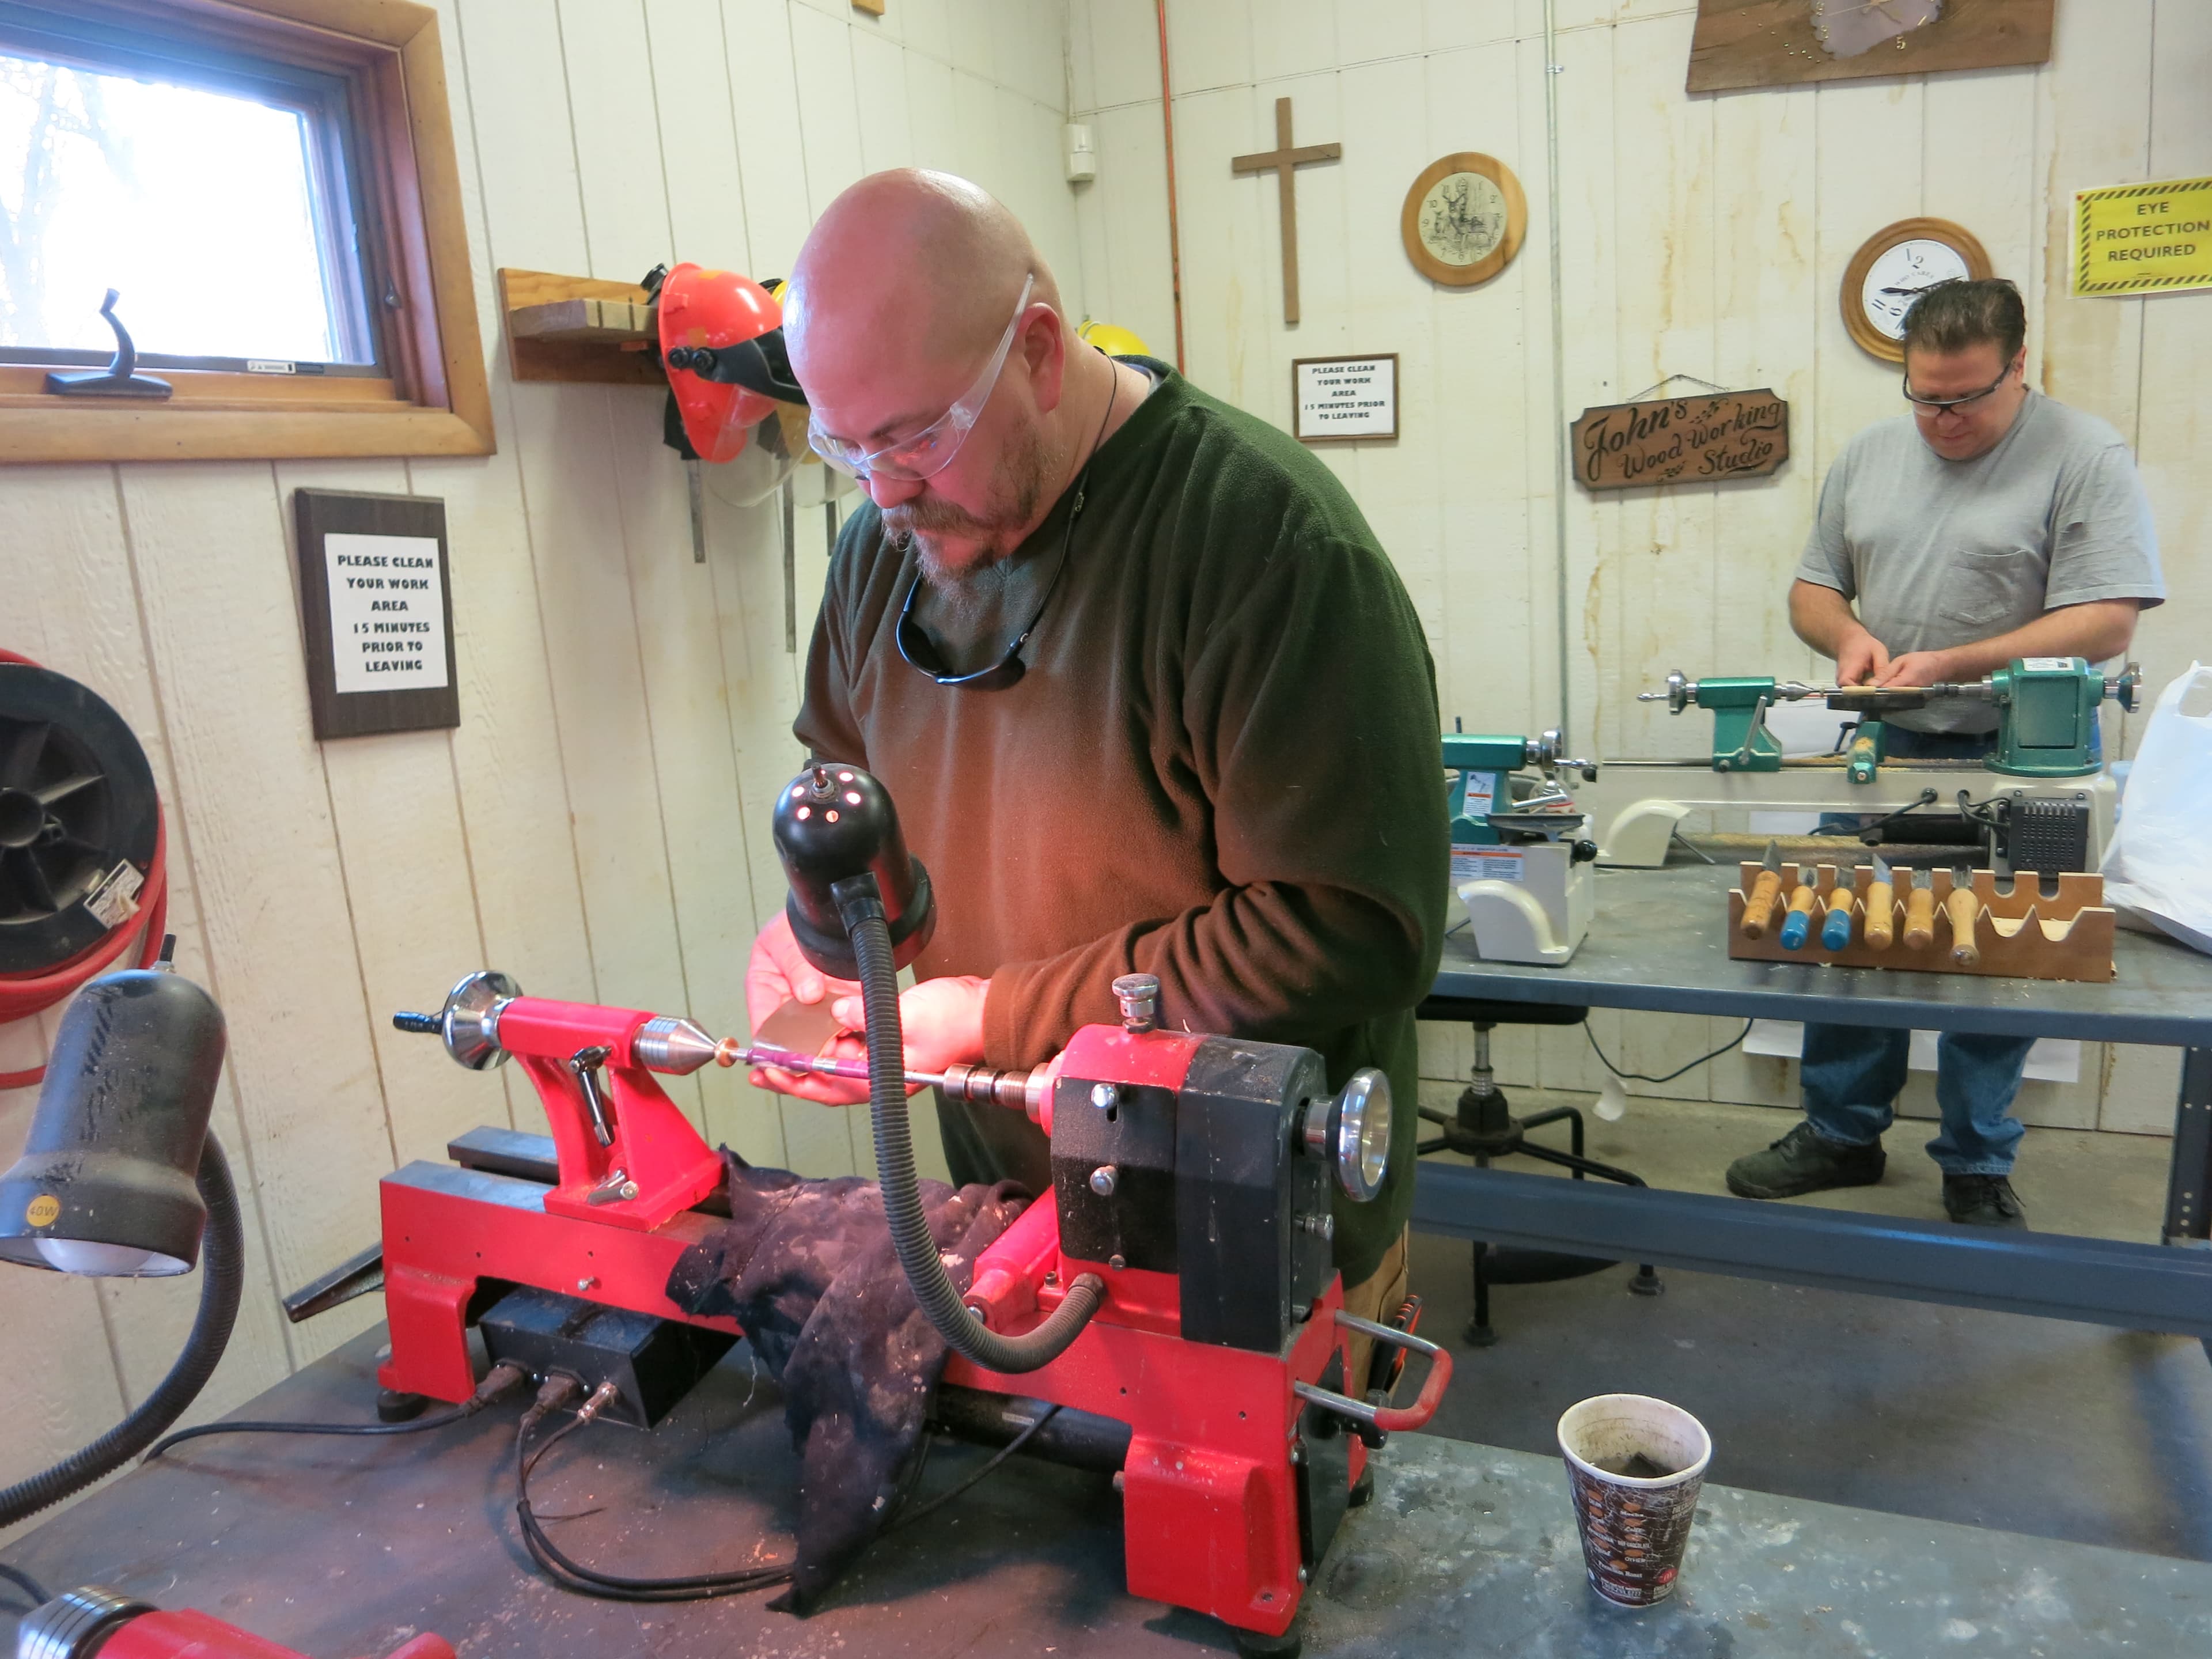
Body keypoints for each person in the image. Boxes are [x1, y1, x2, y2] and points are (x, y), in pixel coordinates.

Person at [742, 169, 1447, 1373]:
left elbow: (1348, 928)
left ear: (1038, 351)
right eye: (843, 447)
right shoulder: (879, 553)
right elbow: (853, 792)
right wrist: (830, 931)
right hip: (1010, 1228)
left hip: (1255, 1252)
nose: (885, 492)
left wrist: (987, 1014)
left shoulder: (1267, 547)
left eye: (916, 436)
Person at [1725, 278, 2164, 1228]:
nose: (1941, 419)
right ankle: (1842, 1133)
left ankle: (1975, 1159)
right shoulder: (1872, 456)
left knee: (2007, 953)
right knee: (1852, 933)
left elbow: (2108, 620)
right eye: (1924, 397)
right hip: (1891, 741)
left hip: (2030, 749)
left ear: (2019, 367)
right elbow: (1814, 589)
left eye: (1965, 398)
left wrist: (1958, 663)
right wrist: (1847, 641)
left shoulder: (2084, 454)